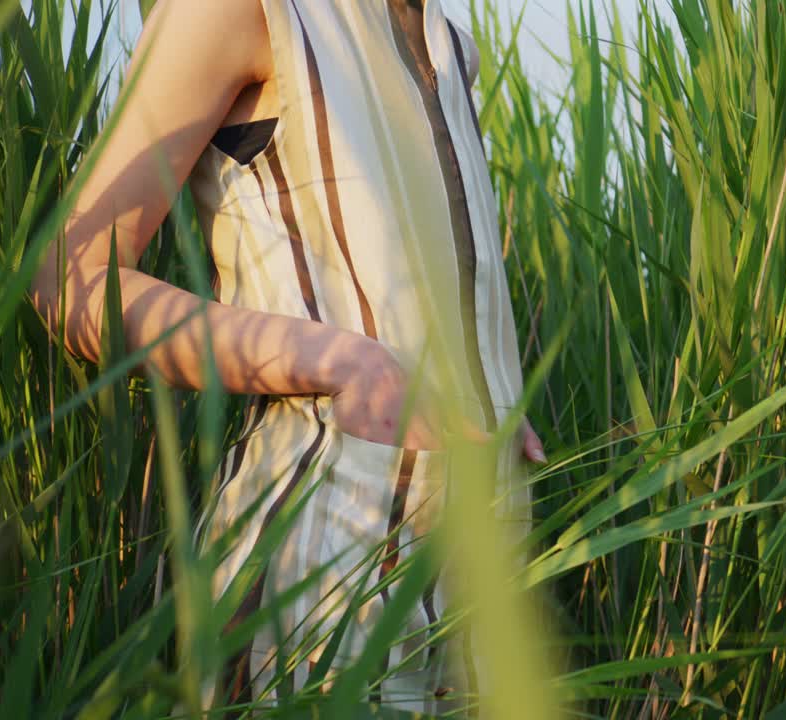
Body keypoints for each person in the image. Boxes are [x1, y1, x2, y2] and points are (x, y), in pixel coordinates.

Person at [29, 0, 544, 713]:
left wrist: (482, 395)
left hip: (482, 575)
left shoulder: (449, 47)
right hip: (325, 571)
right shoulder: (241, 10)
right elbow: (72, 278)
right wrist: (340, 361)